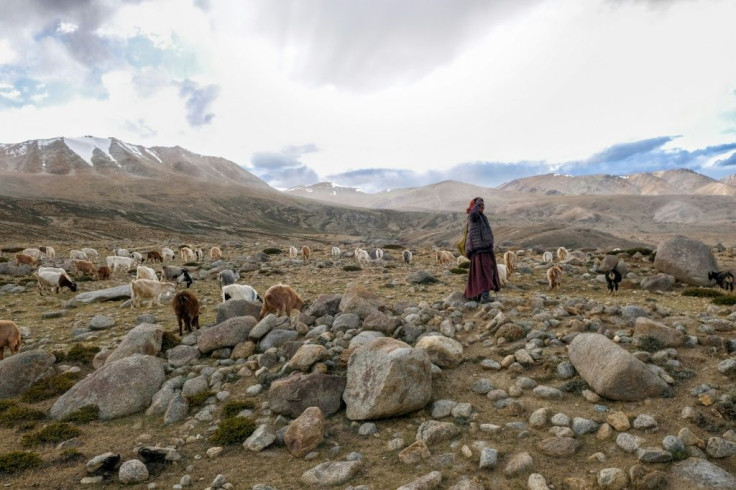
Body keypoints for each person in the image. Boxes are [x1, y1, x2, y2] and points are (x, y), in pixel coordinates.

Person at [464, 197, 501, 303]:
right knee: (484, 272)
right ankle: (484, 296)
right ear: (474, 207)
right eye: (481, 206)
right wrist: (477, 203)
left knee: (487, 271)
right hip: (479, 249)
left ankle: (479, 294)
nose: (483, 208)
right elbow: (474, 212)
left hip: (485, 248)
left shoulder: (482, 217)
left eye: (483, 206)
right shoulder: (473, 215)